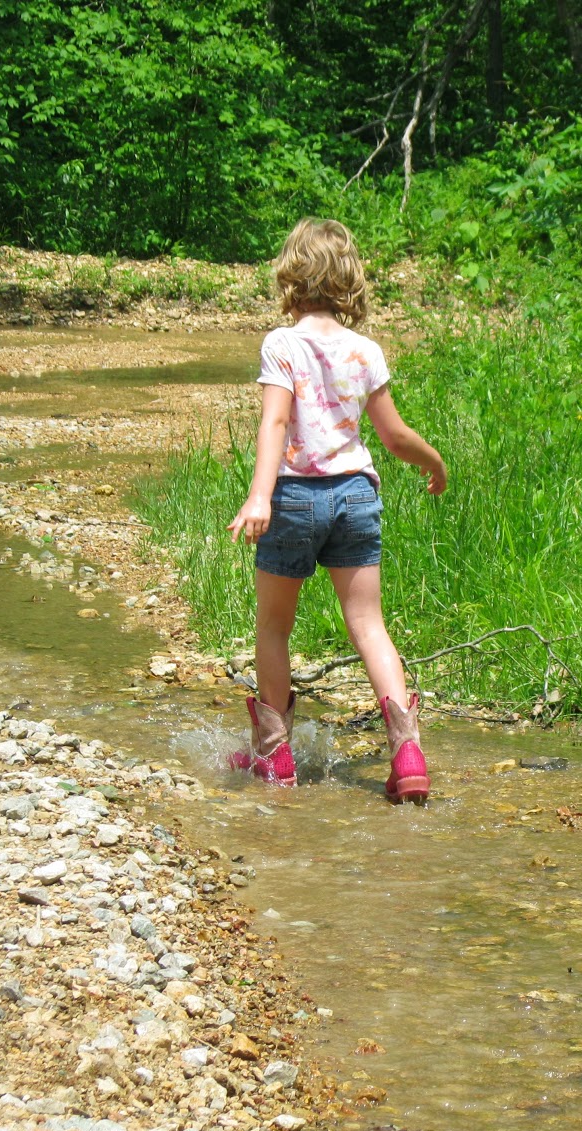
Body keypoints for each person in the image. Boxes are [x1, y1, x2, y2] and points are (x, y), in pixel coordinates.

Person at [226, 217, 446, 802]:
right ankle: (407, 753)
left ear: (291, 275)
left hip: (295, 497)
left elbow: (276, 420)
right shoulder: (364, 349)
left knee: (275, 626)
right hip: (355, 495)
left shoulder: (283, 344)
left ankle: (274, 758)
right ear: (348, 277)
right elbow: (394, 436)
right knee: (368, 625)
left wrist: (259, 495)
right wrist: (435, 463)